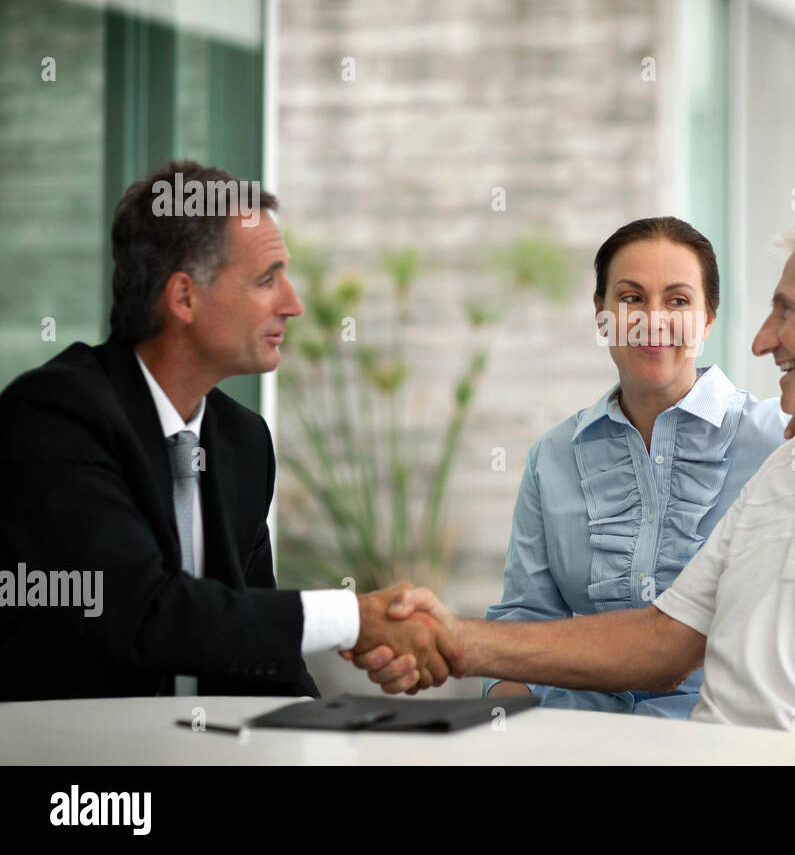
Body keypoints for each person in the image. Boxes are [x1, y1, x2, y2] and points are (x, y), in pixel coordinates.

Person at [353, 199, 795, 764]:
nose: (762, 341)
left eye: (786, 310)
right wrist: (456, 640)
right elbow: (662, 642)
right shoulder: (791, 465)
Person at [0, 160, 459, 701]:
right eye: (267, 280)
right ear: (184, 297)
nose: (293, 305)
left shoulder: (242, 440)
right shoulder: (53, 416)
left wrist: (327, 729)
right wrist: (353, 617)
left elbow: (258, 653)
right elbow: (142, 614)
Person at [476, 217, 789, 718]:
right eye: (631, 298)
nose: (653, 319)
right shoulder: (552, 456)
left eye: (679, 301)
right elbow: (524, 619)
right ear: (600, 315)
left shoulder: (784, 440)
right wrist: (510, 732)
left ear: (708, 318)